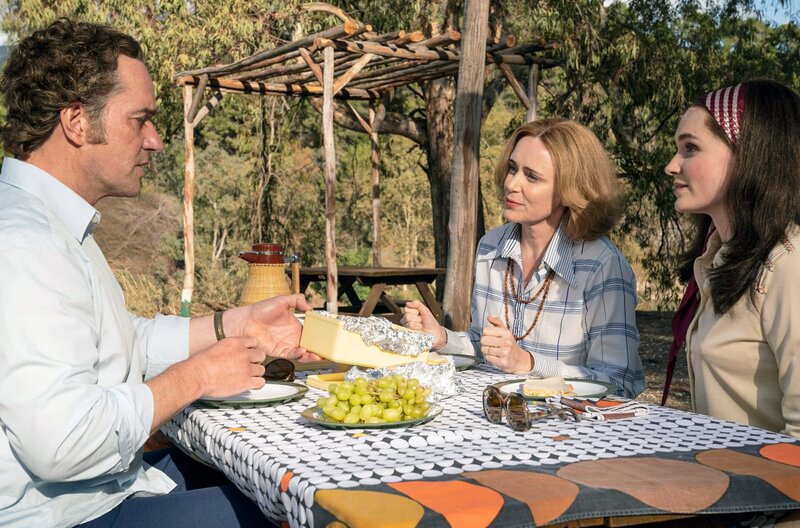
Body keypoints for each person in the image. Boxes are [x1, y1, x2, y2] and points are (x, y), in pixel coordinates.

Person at [0, 19, 315, 527]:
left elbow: (116, 345)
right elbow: (63, 442)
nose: (155, 141)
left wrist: (235, 325)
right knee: (295, 512)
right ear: (76, 122)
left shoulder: (54, 225)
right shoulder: (26, 244)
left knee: (273, 476)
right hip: (67, 514)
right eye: (140, 120)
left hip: (104, 487)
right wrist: (199, 375)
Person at [403, 118, 644, 398]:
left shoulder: (602, 264)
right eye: (512, 168)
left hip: (566, 423)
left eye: (532, 177)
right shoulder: (490, 247)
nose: (511, 183)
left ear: (571, 190)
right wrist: (442, 338)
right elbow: (485, 346)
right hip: (495, 413)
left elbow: (619, 383)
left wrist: (528, 364)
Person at [664, 80, 800, 438]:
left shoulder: (788, 266)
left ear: (749, 154)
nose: (671, 166)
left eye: (690, 148)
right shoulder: (715, 259)